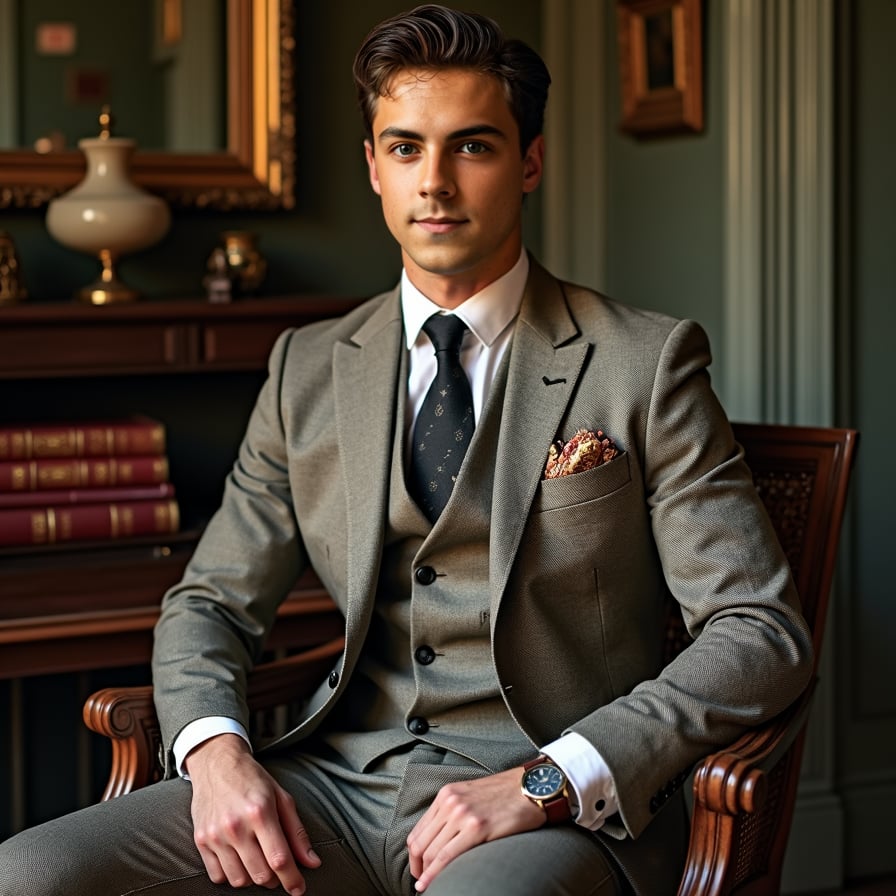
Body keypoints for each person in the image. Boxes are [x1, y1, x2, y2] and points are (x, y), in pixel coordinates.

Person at [0, 5, 813, 896]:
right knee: (28, 875)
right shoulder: (306, 367)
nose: (435, 183)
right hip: (329, 785)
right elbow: (210, 603)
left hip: (543, 809)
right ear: (374, 169)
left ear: (529, 162)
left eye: (472, 147)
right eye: (404, 148)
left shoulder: (643, 363)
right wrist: (217, 754)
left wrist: (549, 780)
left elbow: (758, 630)